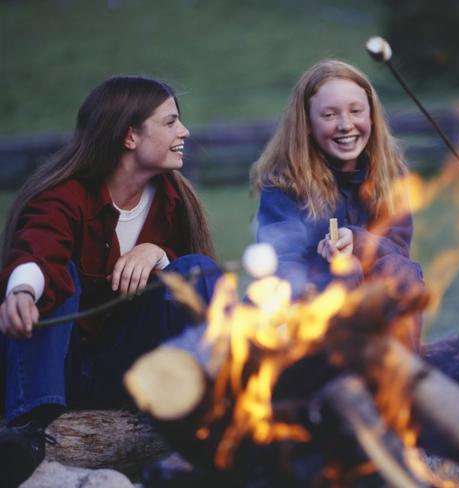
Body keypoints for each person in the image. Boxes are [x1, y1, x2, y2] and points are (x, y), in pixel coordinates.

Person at [0, 75, 220, 486]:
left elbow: (193, 290)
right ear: (130, 136)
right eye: (170, 122)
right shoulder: (63, 195)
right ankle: (28, 431)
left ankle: (222, 407)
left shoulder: (174, 201)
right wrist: (23, 292)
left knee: (197, 271)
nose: (184, 132)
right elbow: (38, 251)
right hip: (61, 370)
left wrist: (159, 254)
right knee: (57, 275)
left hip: (129, 369)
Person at [250, 59, 424, 349]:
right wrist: (328, 264)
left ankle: (401, 375)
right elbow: (280, 261)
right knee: (343, 271)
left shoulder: (390, 174)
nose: (345, 125)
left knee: (400, 269)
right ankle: (339, 377)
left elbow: (398, 248)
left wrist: (357, 240)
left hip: (378, 304)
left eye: (356, 111)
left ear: (372, 116)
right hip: (313, 308)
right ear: (306, 123)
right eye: (329, 115)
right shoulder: (284, 180)